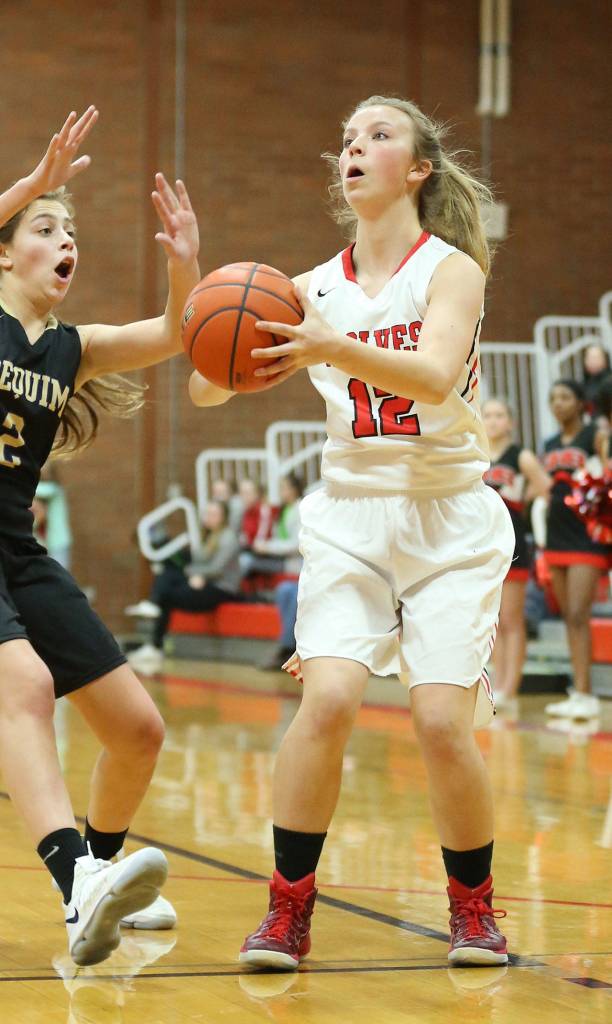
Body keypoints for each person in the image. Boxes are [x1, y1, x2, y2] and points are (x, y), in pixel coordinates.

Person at [190, 95, 515, 968]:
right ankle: (287, 909)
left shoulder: (451, 270)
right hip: (350, 517)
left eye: (378, 135)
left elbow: (440, 376)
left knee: (442, 723)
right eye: (346, 138)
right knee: (327, 698)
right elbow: (206, 392)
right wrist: (204, 316)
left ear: (416, 169)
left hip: (448, 515)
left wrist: (328, 346)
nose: (354, 148)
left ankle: (473, 907)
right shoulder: (304, 290)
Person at [0, 107, 200, 964]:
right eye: (45, 227)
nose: (62, 238)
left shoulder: (71, 349)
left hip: (14, 543)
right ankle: (75, 881)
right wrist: (36, 183)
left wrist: (188, 268)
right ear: (5, 251)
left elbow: (171, 335)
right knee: (25, 685)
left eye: (68, 229)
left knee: (137, 729)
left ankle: (102, 880)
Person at [541, 380, 610, 719]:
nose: (558, 404)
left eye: (566, 397)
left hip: (586, 535)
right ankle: (578, 691)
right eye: (553, 398)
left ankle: (587, 692)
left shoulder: (594, 437)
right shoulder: (549, 444)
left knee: (580, 614)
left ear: (581, 403)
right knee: (569, 617)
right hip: (555, 537)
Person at [482, 397, 551, 711]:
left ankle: (510, 686)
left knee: (511, 619)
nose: (494, 421)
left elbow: (545, 487)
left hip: (513, 545)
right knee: (492, 620)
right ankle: (496, 684)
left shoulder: (520, 456)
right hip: (482, 547)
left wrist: (523, 500)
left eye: (500, 415)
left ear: (510, 422)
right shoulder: (476, 456)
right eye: (488, 415)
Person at [127, 498, 242, 673]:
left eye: (214, 514)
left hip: (221, 589)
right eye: (207, 513)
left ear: (223, 517)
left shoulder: (228, 538)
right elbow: (197, 561)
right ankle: (154, 640)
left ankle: (153, 607)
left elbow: (217, 569)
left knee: (168, 585)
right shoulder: (206, 536)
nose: (209, 517)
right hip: (204, 583)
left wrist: (195, 574)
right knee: (168, 576)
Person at [239, 473, 303, 579]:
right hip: (277, 556)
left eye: (283, 488)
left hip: (291, 561)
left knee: (244, 561)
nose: (280, 491)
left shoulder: (299, 509)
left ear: (294, 490)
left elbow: (296, 545)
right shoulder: (284, 509)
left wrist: (268, 547)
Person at [581, 342, 611, 421]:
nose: (592, 361)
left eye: (596, 357)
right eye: (589, 357)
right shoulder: (582, 384)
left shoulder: (609, 382)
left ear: (605, 360)